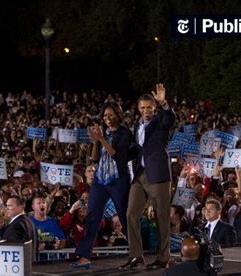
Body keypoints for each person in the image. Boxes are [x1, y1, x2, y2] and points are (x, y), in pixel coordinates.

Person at [73, 101, 133, 269]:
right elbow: (94, 158)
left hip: (118, 179)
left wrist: (102, 139)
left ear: (118, 115)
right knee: (92, 215)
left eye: (111, 115)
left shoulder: (124, 133)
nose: (108, 118)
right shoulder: (103, 132)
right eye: (105, 116)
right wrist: (95, 141)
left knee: (124, 215)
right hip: (101, 178)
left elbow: (117, 155)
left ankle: (137, 253)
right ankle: (85, 256)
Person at [121, 83, 175, 270]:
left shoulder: (161, 121)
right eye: (143, 108)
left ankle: (163, 257)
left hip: (158, 175)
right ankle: (136, 255)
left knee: (161, 217)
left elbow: (170, 118)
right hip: (140, 175)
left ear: (154, 108)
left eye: (149, 107)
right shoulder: (137, 125)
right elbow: (138, 149)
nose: (146, 111)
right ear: (138, 109)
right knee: (131, 213)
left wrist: (164, 104)